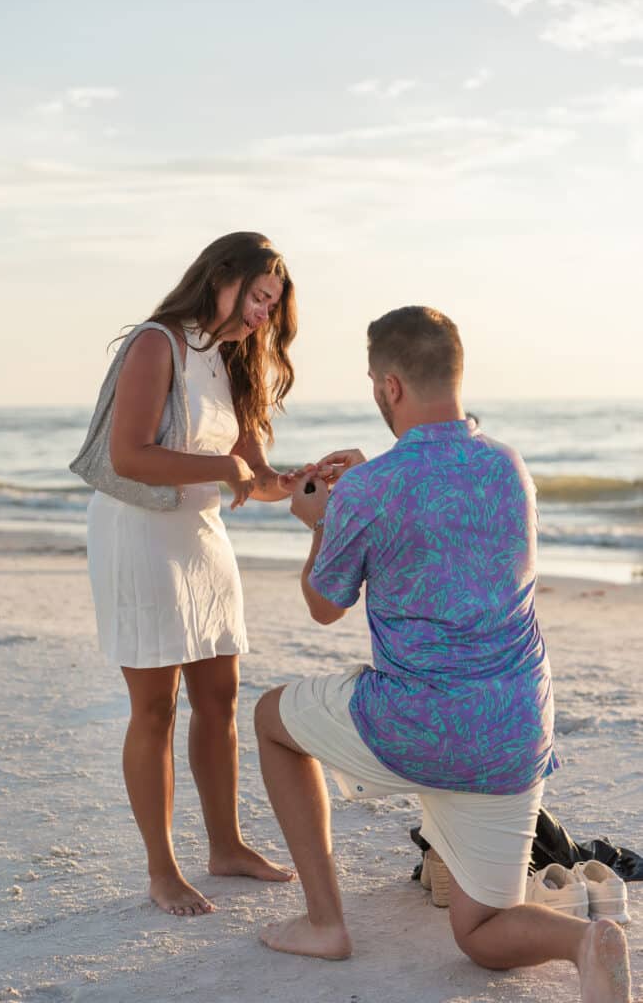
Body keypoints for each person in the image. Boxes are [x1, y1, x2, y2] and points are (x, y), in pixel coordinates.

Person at [254, 306, 631, 1002]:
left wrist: (320, 522)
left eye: (374, 381)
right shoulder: (508, 468)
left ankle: (324, 922)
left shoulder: (369, 491)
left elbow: (323, 605)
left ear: (390, 386)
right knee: (480, 929)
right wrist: (365, 483)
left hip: (417, 726)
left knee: (271, 719)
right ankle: (586, 942)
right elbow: (442, 525)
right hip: (512, 730)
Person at [84, 232, 299, 917]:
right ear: (222, 277)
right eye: (259, 297)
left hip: (199, 534)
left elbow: (256, 482)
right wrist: (224, 469)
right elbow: (129, 455)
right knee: (155, 708)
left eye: (273, 304)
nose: (265, 313)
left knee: (221, 699)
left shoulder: (233, 360)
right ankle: (162, 869)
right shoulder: (157, 343)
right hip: (137, 532)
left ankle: (227, 845)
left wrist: (306, 479)